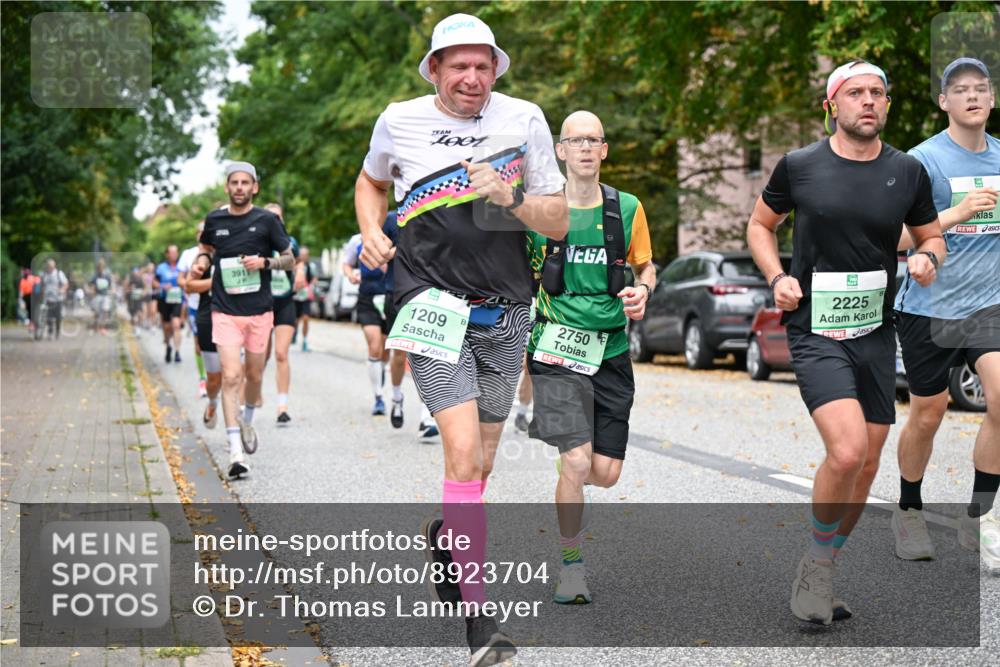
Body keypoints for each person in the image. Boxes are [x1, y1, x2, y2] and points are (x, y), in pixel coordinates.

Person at [355, 13, 567, 664]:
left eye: (483, 66)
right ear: (436, 69)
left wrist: (512, 199)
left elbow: (556, 221)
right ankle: (479, 620)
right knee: (464, 453)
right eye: (459, 66)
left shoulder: (525, 118)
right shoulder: (399, 119)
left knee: (483, 464)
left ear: (495, 70)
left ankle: (448, 538)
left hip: (506, 309)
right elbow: (371, 180)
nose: (472, 77)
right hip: (427, 300)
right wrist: (370, 230)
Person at [746, 60, 945, 625]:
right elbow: (761, 225)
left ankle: (824, 564)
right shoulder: (801, 166)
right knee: (848, 450)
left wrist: (928, 256)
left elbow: (929, 234)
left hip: (877, 331)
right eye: (855, 92)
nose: (868, 101)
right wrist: (776, 277)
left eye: (877, 93)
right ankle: (815, 563)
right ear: (832, 105)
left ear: (887, 104)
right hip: (815, 329)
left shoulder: (906, 171)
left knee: (868, 460)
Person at [526, 110, 656, 604]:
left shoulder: (627, 208)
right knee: (577, 460)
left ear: (604, 150)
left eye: (594, 140)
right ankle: (571, 567)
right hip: (554, 350)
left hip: (612, 352)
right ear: (560, 150)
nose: (584, 147)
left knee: (605, 473)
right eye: (575, 140)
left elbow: (647, 267)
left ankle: (572, 476)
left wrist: (643, 290)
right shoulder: (539, 211)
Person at [891, 57, 1000, 567]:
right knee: (928, 413)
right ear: (944, 102)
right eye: (961, 90)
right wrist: (954, 215)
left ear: (992, 99)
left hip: (988, 304)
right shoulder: (922, 162)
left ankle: (977, 519)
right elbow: (890, 234)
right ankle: (908, 509)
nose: (972, 96)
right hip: (928, 308)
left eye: (981, 88)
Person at [189, 162, 293, 479]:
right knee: (231, 376)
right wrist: (203, 260)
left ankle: (247, 419)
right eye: (234, 182)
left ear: (254, 187)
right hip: (224, 310)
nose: (239, 187)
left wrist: (264, 262)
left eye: (245, 182)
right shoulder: (215, 220)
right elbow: (206, 245)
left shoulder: (266, 221)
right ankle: (235, 452)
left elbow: (289, 259)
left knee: (254, 375)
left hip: (260, 311)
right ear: (227, 187)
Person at [342, 216, 439, 434]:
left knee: (426, 354)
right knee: (399, 355)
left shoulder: (434, 213)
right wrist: (402, 251)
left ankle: (427, 416)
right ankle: (396, 397)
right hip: (396, 294)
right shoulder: (391, 220)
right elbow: (380, 255)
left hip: (427, 294)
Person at [262, 202, 299, 424]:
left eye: (278, 217)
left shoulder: (290, 242)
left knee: (281, 354)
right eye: (270, 217)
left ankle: (282, 405)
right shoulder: (257, 243)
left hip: (285, 302)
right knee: (261, 356)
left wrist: (302, 272)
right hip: (263, 303)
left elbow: (298, 261)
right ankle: (254, 391)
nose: (275, 221)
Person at [183, 237, 223, 431]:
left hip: (237, 318)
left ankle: (238, 425)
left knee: (235, 375)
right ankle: (213, 402)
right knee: (215, 380)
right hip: (209, 319)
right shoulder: (204, 257)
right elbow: (188, 286)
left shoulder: (244, 248)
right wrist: (216, 281)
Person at [179, 224, 209, 396]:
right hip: (194, 305)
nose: (202, 234)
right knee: (199, 344)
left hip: (213, 304)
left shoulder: (217, 251)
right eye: (199, 231)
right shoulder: (188, 254)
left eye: (205, 231)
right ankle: (202, 379)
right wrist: (190, 285)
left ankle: (215, 376)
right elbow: (180, 278)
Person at [154, 246, 184, 362]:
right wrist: (162, 286)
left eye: (176, 252)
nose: (174, 255)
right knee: (167, 327)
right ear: (167, 254)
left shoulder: (181, 267)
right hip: (164, 299)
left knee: (176, 324)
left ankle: (177, 352)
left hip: (177, 298)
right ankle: (168, 346)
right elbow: (154, 282)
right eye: (172, 252)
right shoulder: (161, 268)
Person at [293, 246, 316, 351]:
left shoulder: (312, 266)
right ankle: (294, 333)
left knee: (306, 318)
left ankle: (305, 341)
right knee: (296, 320)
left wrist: (311, 285)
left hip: (306, 296)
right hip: (295, 296)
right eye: (301, 255)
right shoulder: (294, 266)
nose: (303, 257)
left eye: (305, 255)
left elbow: (315, 279)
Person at [41, 258, 69, 339]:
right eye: (48, 266)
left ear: (54, 266)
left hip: (57, 298)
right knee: (48, 317)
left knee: (58, 317)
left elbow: (66, 283)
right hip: (47, 299)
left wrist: (62, 289)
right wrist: (42, 293)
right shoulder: (44, 274)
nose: (49, 268)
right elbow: (42, 284)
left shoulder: (59, 273)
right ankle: (50, 332)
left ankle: (57, 331)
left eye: (51, 266)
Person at [90, 257, 115, 335]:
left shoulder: (107, 276)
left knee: (105, 312)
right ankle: (96, 327)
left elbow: (111, 286)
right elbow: (93, 287)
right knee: (97, 312)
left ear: (104, 267)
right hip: (98, 296)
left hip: (105, 296)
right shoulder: (95, 276)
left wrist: (113, 291)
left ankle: (103, 327)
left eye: (102, 266)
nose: (101, 267)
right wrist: (93, 295)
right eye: (99, 266)